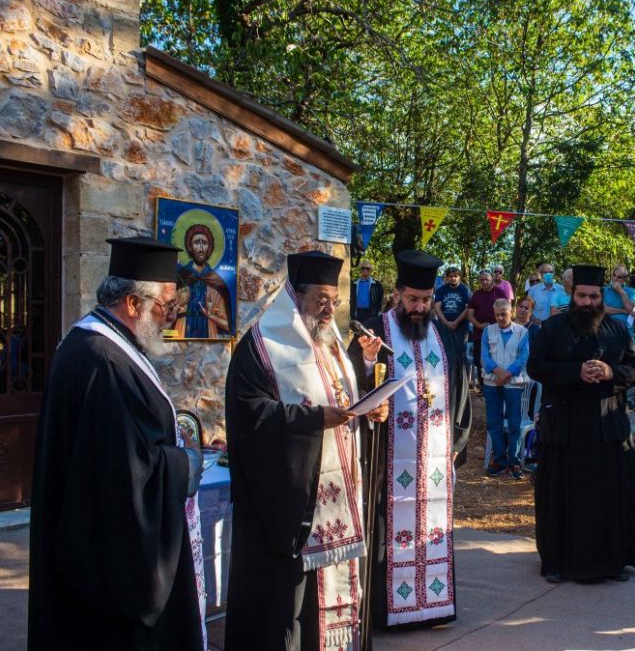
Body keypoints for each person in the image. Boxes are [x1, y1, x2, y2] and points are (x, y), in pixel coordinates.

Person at [29, 237, 207, 650]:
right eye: (165, 306)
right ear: (133, 303)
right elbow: (124, 475)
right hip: (104, 586)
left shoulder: (103, 346)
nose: (171, 318)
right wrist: (184, 463)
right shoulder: (102, 360)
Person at [224, 251, 389, 650]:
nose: (329, 309)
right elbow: (249, 413)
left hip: (335, 503)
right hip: (289, 509)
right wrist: (314, 420)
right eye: (321, 300)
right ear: (295, 296)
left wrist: (369, 397)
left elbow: (339, 394)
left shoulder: (330, 341)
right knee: (288, 611)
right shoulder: (262, 346)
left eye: (335, 300)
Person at [348, 249, 472, 630]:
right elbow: (352, 384)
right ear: (398, 294)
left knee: (432, 526)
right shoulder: (375, 331)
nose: (419, 307)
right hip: (389, 458)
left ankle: (431, 608)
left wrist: (455, 448)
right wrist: (367, 363)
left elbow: (462, 393)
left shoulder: (444, 337)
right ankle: (388, 614)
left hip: (435, 459)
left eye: (426, 300)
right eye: (413, 299)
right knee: (387, 528)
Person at [528, 264, 635, 583]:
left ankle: (613, 560)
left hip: (607, 426)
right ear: (572, 294)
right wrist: (574, 372)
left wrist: (611, 373)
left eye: (594, 296)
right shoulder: (552, 328)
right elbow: (536, 367)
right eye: (582, 295)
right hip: (565, 426)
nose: (588, 302)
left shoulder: (619, 329)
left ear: (600, 297)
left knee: (609, 495)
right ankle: (556, 561)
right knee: (562, 496)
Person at [482, 299, 531, 479]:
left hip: (513, 383)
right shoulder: (488, 331)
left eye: (504, 314)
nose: (500, 318)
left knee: (514, 423)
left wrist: (507, 374)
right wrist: (499, 373)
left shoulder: (522, 332)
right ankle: (499, 459)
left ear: (511, 312)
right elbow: (484, 356)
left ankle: (514, 460)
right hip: (492, 382)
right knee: (494, 422)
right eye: (497, 315)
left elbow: (523, 358)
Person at [174, 224, 231, 338]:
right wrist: (179, 304)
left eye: (204, 243)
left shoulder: (217, 284)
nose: (201, 248)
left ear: (209, 247)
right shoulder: (180, 278)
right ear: (190, 246)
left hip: (209, 337)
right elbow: (161, 318)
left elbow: (228, 326)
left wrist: (210, 315)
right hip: (180, 337)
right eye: (196, 243)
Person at [466, 269, 508, 374]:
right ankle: (482, 388)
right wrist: (479, 325)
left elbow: (507, 312)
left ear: (492, 280)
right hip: (479, 334)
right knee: (480, 361)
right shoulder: (476, 295)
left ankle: (497, 385)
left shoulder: (500, 293)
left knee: (497, 361)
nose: (484, 282)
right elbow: (469, 315)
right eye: (482, 280)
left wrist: (495, 326)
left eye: (487, 279)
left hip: (497, 333)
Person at [434, 265, 471, 350]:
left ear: (460, 277)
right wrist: (446, 323)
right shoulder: (441, 290)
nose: (453, 278)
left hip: (461, 327)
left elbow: (468, 308)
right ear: (447, 277)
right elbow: (437, 308)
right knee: (446, 350)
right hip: (444, 326)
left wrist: (456, 322)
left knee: (460, 351)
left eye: (455, 276)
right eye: (450, 276)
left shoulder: (465, 290)